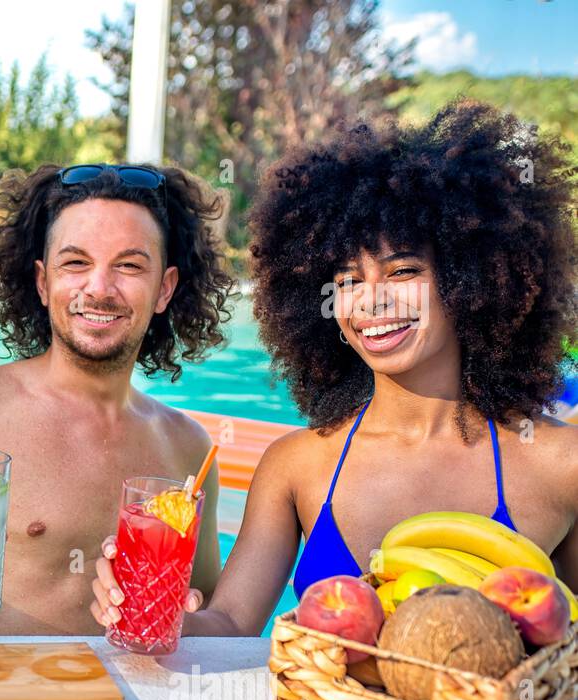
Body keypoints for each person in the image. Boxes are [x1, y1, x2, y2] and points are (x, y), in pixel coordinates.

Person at [91, 101, 578, 636]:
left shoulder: (560, 464)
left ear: (471, 280)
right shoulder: (297, 466)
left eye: (404, 271)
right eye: (347, 280)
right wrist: (157, 616)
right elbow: (229, 623)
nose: (371, 302)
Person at [0, 162, 234, 636]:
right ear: (43, 283)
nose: (99, 289)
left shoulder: (187, 447)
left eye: (128, 266)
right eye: (75, 263)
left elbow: (202, 618)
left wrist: (179, 614)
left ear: (164, 289)